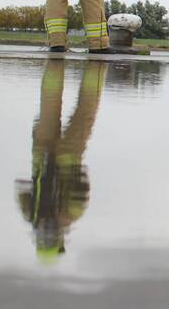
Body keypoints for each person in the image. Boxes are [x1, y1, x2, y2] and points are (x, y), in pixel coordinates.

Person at [15, 60, 105, 261]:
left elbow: (83, 184)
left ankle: (97, 67)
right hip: (42, 153)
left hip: (68, 157)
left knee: (86, 110)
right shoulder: (31, 214)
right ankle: (57, 61)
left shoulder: (71, 214)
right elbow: (20, 189)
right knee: (49, 103)